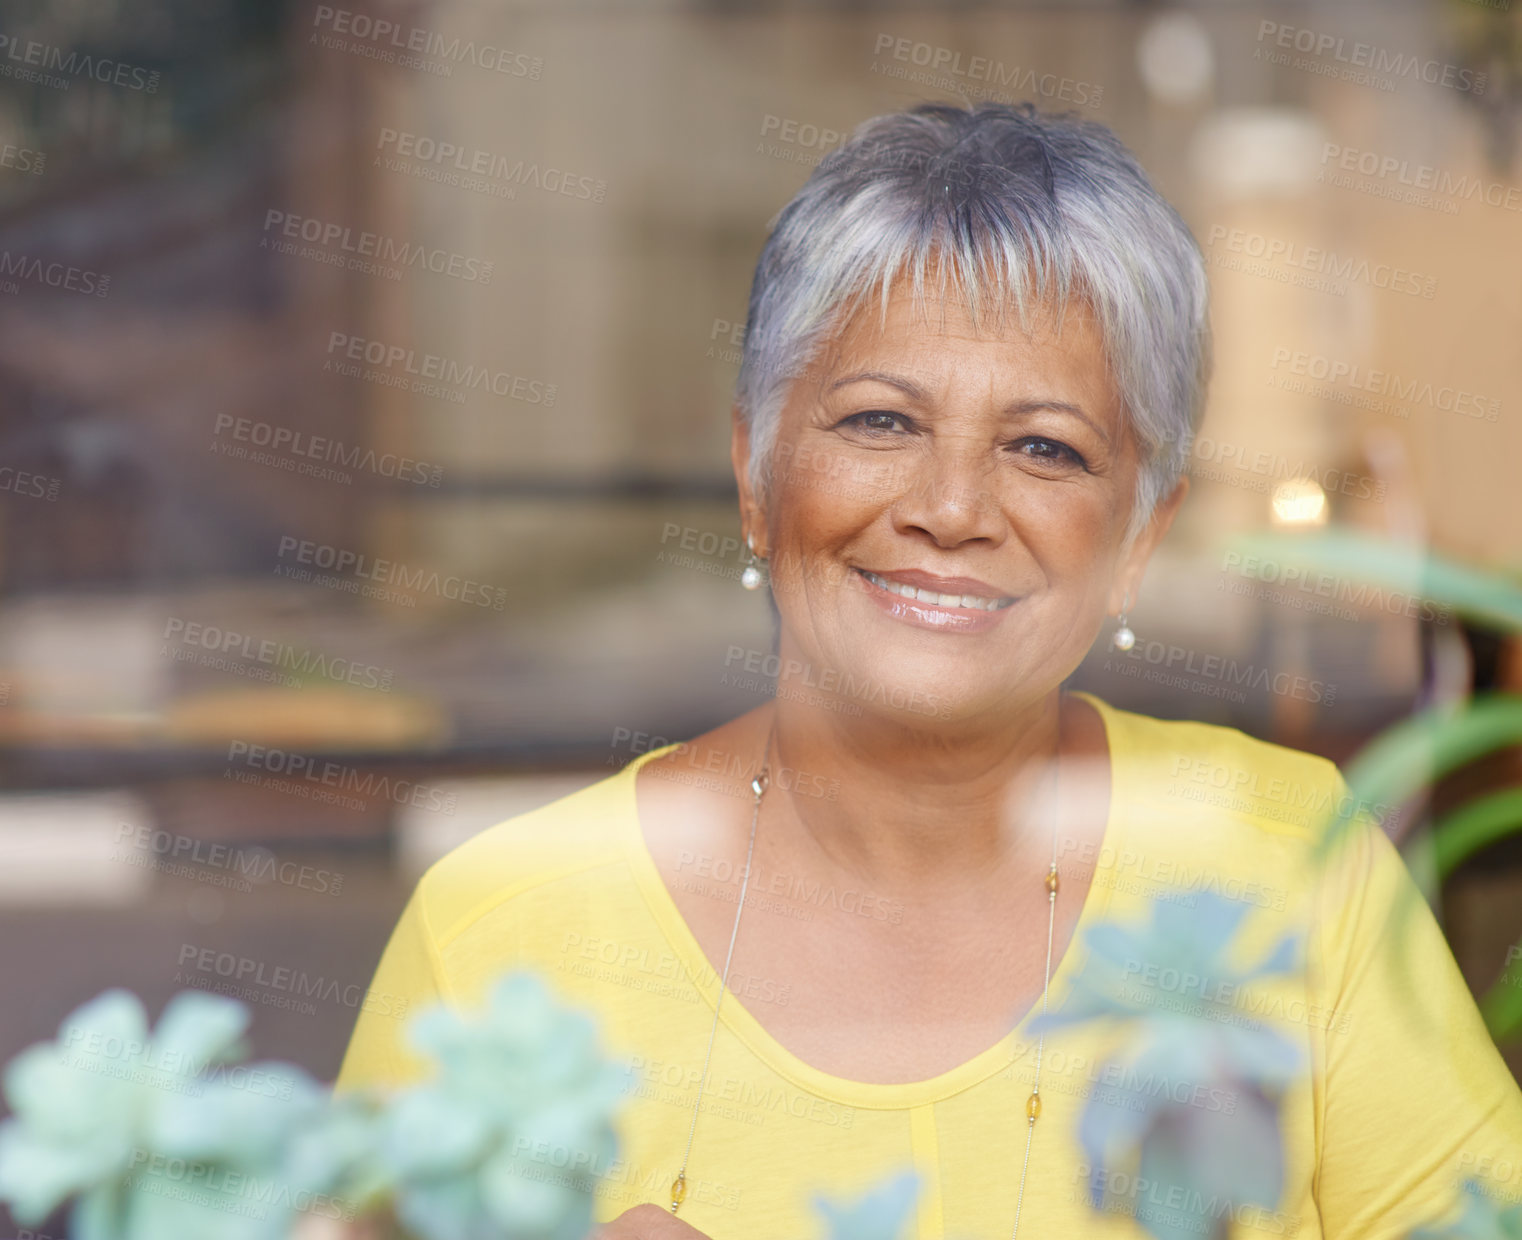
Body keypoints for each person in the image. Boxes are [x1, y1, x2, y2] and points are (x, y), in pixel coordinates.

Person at [337, 100, 1522, 1239]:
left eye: (1043, 447)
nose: (952, 508)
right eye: (878, 422)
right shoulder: (503, 931)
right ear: (754, 472)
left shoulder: (1287, 868)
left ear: (1137, 542)